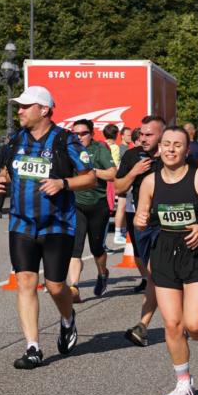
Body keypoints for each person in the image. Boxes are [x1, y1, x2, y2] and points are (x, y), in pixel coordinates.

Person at [0, 86, 96, 369]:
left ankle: (67, 318)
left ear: (44, 110)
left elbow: (90, 179)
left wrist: (63, 183)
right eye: (19, 106)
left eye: (26, 106)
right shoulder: (14, 140)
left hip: (57, 225)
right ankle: (33, 347)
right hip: (21, 223)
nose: (20, 111)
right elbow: (5, 173)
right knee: (26, 282)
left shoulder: (65, 140)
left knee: (55, 285)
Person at [135, 126, 198, 395]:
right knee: (173, 324)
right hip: (165, 251)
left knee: (195, 323)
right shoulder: (149, 182)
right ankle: (183, 383)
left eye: (177, 145)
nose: (171, 149)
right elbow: (143, 214)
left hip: (197, 249)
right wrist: (141, 219)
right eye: (166, 144)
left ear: (187, 150)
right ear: (159, 148)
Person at [114, 116, 166, 345]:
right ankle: (178, 316)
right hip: (141, 223)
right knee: (153, 273)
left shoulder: (172, 155)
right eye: (141, 134)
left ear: (161, 136)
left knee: (156, 272)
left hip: (168, 224)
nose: (143, 139)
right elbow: (119, 188)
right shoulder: (132, 156)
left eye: (148, 135)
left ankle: (143, 325)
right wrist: (134, 172)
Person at [67, 119, 116, 303]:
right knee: (75, 248)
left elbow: (112, 173)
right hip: (76, 205)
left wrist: (91, 171)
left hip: (97, 205)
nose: (79, 137)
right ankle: (74, 287)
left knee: (97, 249)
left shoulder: (99, 149)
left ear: (91, 134)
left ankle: (102, 273)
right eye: (75, 134)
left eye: (83, 133)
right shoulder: (69, 149)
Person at [102, 123, 127, 245]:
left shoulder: (101, 146)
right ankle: (105, 242)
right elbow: (115, 165)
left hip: (102, 179)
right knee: (109, 209)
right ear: (116, 135)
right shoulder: (116, 148)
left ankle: (103, 242)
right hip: (111, 180)